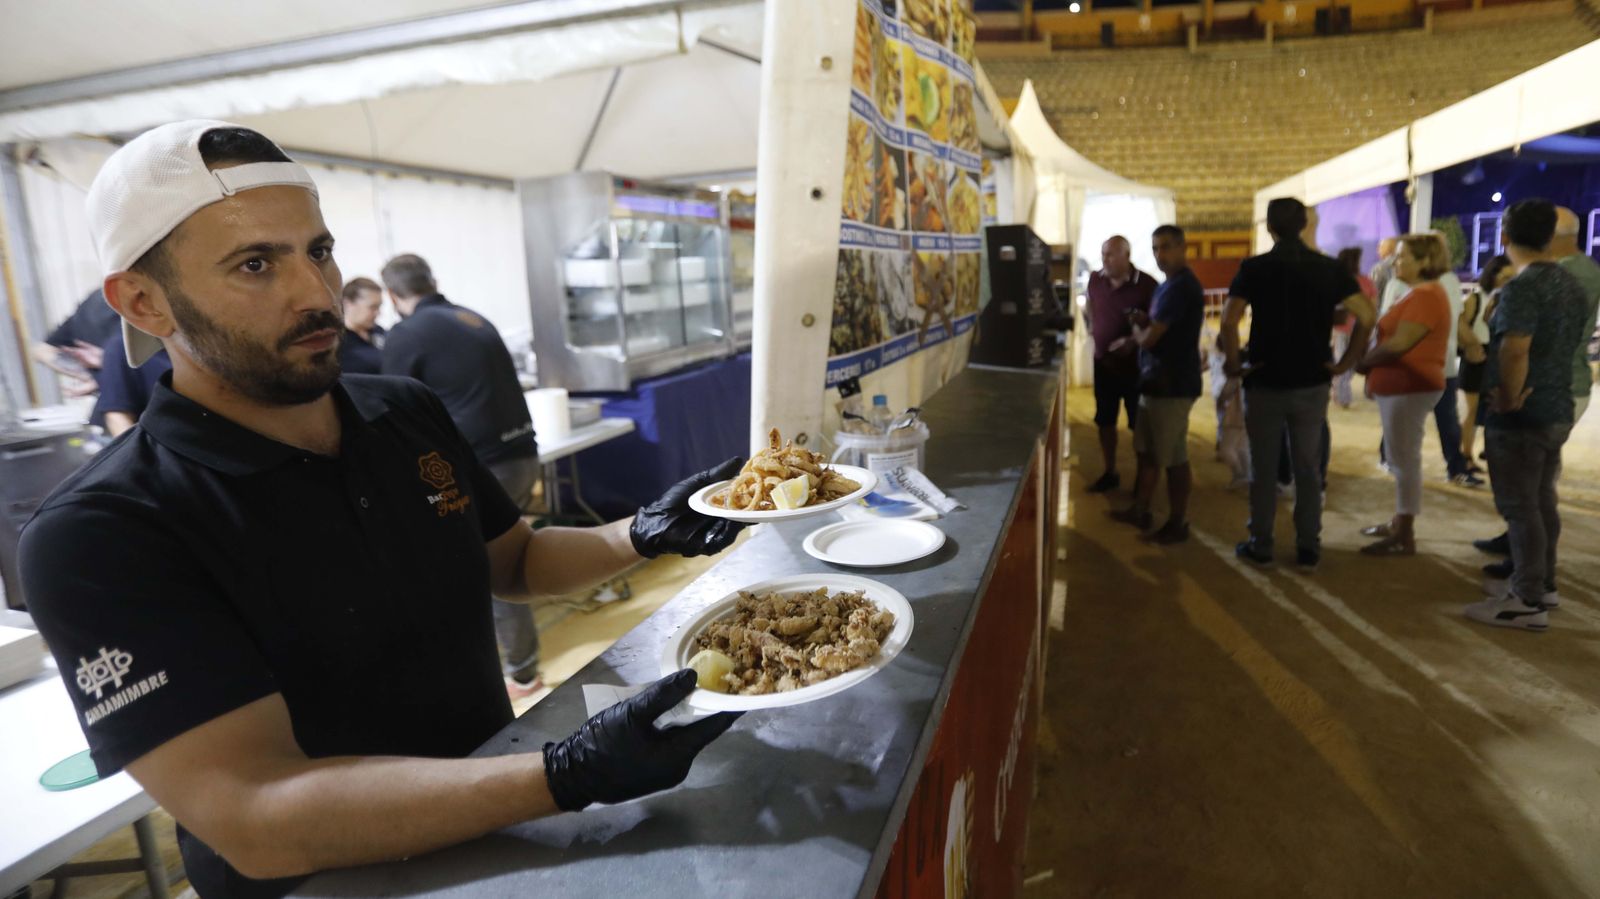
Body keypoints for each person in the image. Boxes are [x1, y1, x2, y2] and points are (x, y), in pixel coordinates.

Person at [19, 121, 745, 899]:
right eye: (256, 264)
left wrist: (638, 532)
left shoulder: (401, 411)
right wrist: (563, 773)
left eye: (319, 251)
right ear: (143, 300)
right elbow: (255, 815)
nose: (315, 294)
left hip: (502, 822)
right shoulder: (102, 533)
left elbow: (515, 560)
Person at [379, 254, 546, 699]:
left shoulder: (407, 334)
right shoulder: (472, 317)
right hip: (523, 451)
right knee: (508, 555)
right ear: (432, 280)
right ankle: (521, 668)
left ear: (394, 297)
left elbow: (383, 409)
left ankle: (522, 675)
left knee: (492, 567)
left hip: (481, 464)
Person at [1221, 197, 1376, 569]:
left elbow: (1229, 320)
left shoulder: (1254, 268)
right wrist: (1346, 363)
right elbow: (1367, 316)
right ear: (1306, 224)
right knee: (1308, 468)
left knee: (1263, 468)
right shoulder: (1328, 268)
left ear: (1269, 227)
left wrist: (1233, 363)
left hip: (1265, 378)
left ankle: (1261, 542)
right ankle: (1308, 546)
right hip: (1312, 380)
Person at [1464, 199, 1588, 631]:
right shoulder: (1571, 284)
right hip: (1557, 406)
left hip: (1524, 412)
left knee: (1520, 507)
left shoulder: (1522, 287)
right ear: (1551, 237)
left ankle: (1526, 598)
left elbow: (1515, 348)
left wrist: (1511, 397)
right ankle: (1542, 584)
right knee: (1541, 501)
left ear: (1505, 236)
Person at [1354, 234, 1453, 556]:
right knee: (1401, 457)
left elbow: (1399, 344)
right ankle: (1400, 521)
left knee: (1404, 459)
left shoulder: (1425, 296)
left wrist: (1363, 362)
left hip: (1410, 386)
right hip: (1404, 386)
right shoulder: (1419, 294)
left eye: (1402, 257)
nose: (1395, 263)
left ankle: (1404, 530)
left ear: (1425, 261)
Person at [1109, 225, 1205, 544]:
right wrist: (1143, 324)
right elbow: (1156, 330)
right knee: (1148, 451)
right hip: (1156, 382)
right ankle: (1141, 509)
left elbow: (1152, 339)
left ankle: (1178, 522)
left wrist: (1133, 337)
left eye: (1165, 247)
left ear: (1182, 248)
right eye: (1155, 248)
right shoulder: (1169, 285)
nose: (1160, 255)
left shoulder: (1181, 287)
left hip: (1173, 384)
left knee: (1174, 457)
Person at [1084, 235, 1157, 493]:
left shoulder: (1147, 285)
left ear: (1127, 255)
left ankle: (1142, 478)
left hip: (1135, 368)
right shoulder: (1095, 280)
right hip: (1104, 364)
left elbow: (1156, 325)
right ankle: (1110, 471)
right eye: (1103, 254)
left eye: (1111, 254)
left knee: (1138, 425)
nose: (1105, 259)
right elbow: (1090, 307)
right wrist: (1093, 330)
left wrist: (1132, 341)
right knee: (1105, 421)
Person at [1458, 254, 1511, 473]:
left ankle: (1484, 453)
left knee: (1492, 411)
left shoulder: (1510, 300)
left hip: (1496, 358)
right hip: (1476, 358)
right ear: (1493, 274)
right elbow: (1460, 326)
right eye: (1505, 276)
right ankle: (1465, 456)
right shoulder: (1476, 298)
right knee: (1469, 412)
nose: (1509, 281)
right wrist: (1471, 347)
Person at [30, 288, 123, 397]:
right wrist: (99, 378)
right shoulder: (138, 303)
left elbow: (42, 351)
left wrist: (95, 377)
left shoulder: (96, 299)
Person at [95, 327, 173, 436]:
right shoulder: (123, 347)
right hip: (156, 444)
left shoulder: (194, 344)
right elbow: (117, 415)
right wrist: (140, 452)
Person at [1332, 247, 1373, 409]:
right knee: (1351, 362)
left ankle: (1342, 395)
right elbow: (1372, 306)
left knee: (1341, 359)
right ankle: (1342, 394)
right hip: (1360, 328)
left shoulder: (1336, 280)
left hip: (1341, 328)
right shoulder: (1366, 281)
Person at [337, 276, 386, 375]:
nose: (378, 313)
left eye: (379, 306)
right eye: (372, 307)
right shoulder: (337, 342)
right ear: (348, 304)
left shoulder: (379, 331)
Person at [1370, 236, 1399, 309]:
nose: (1377, 250)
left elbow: (1373, 294)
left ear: (1388, 249)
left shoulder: (1379, 268)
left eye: (1380, 247)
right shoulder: (1406, 265)